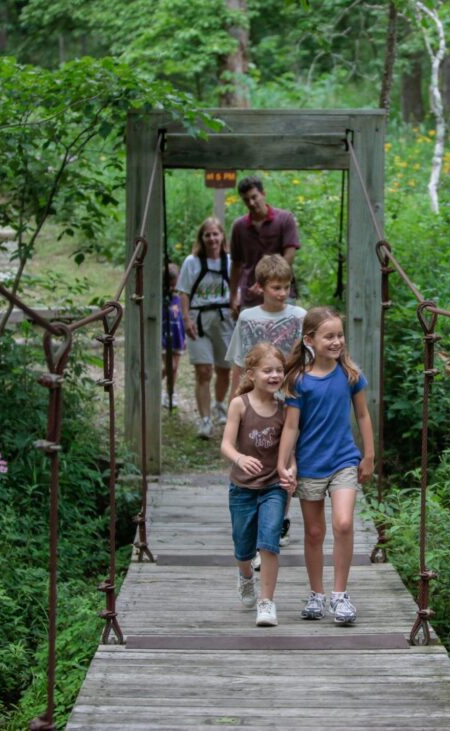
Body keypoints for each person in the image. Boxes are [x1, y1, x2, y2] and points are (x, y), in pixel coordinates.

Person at [277, 307, 374, 626]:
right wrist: (283, 464)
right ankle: (316, 593)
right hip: (310, 465)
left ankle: (340, 595)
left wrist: (369, 455)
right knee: (315, 532)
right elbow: (292, 427)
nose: (337, 342)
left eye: (339, 335)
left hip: (344, 460)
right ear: (310, 340)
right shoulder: (299, 381)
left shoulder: (350, 375)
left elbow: (362, 415)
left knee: (344, 523)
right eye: (329, 336)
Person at [227, 253, 307, 548]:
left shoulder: (300, 316)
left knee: (284, 457)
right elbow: (238, 362)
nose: (282, 293)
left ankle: (278, 518)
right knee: (260, 450)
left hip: (289, 399)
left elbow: (307, 361)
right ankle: (262, 515)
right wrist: (235, 398)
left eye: (286, 286)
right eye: (276, 287)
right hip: (255, 397)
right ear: (260, 286)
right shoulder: (248, 318)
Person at [220, 343, 296, 627]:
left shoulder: (285, 407)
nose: (275, 375)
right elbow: (226, 445)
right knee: (243, 548)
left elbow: (290, 451)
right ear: (251, 374)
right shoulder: (240, 404)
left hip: (273, 487)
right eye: (268, 370)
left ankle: (267, 602)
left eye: (279, 370)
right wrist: (239, 458)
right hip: (242, 488)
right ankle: (245, 576)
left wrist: (290, 471)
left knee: (269, 543)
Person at [176, 217, 234, 439]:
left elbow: (237, 287)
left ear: (222, 236)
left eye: (215, 234)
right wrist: (185, 319)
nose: (212, 239)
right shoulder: (192, 262)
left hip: (225, 320)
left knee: (224, 369)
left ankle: (220, 404)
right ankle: (205, 420)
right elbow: (184, 292)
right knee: (203, 371)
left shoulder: (229, 262)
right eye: (207, 235)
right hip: (198, 319)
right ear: (201, 238)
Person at [229, 176, 301, 315]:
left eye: (254, 197)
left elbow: (290, 254)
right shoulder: (239, 227)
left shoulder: (284, 219)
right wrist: (232, 296)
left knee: (284, 335)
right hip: (251, 296)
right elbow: (236, 264)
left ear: (263, 194)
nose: (251, 202)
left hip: (282, 292)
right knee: (252, 336)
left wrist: (266, 280)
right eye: (246, 199)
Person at [161, 261, 185, 410]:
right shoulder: (161, 299)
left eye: (174, 284)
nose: (171, 287)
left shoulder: (180, 298)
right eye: (169, 284)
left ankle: (170, 393)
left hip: (177, 336)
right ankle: (157, 387)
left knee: (174, 368)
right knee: (171, 365)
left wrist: (185, 337)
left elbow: (182, 318)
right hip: (164, 336)